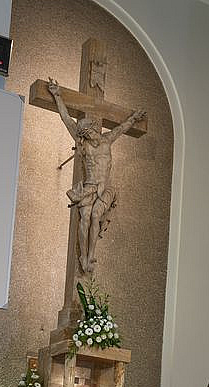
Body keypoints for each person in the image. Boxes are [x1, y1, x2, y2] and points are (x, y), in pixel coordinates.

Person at [47, 78, 147, 274]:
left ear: (94, 129)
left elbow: (122, 128)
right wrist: (57, 95)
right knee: (84, 218)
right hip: (89, 187)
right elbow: (67, 120)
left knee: (95, 216)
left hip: (104, 188)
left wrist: (134, 118)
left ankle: (91, 255)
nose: (88, 136)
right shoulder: (83, 144)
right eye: (84, 134)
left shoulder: (107, 140)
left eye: (89, 132)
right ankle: (83, 257)